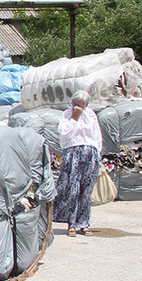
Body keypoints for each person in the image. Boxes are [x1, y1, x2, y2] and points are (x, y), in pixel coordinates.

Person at [53, 90, 102, 236]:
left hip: (89, 153)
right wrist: (74, 118)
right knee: (72, 189)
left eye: (81, 105)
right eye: (76, 104)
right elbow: (64, 134)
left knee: (86, 191)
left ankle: (84, 223)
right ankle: (71, 223)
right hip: (73, 152)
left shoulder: (91, 115)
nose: (78, 107)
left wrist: (98, 154)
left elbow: (96, 136)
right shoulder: (67, 115)